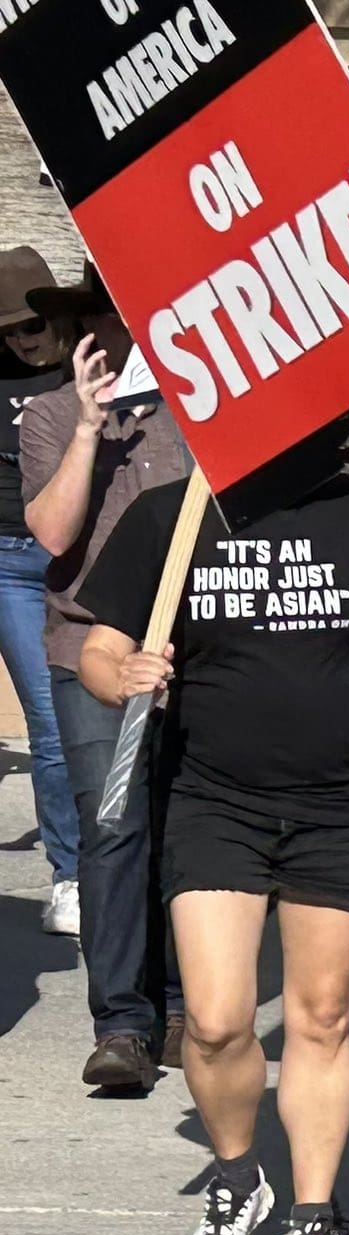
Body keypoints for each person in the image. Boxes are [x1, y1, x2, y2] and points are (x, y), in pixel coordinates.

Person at [75, 464, 349, 1235]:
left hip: (339, 800)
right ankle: (237, 1180)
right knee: (213, 1022)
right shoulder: (172, 516)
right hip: (212, 798)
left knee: (322, 1016)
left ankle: (316, 1219)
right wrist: (123, 676)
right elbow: (98, 651)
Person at [20, 264, 190, 1092]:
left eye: (123, 314)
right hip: (89, 642)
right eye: (96, 317)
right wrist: (89, 429)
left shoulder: (194, 406)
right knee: (114, 824)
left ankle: (185, 1003)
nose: (109, 331)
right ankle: (123, 1021)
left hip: (191, 642)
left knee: (187, 825)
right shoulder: (51, 414)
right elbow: (52, 536)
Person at [0, 246, 79, 937]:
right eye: (7, 332)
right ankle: (71, 875)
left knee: (113, 714)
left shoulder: (92, 365)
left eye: (32, 325)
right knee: (51, 726)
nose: (23, 341)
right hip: (10, 563)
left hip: (83, 560)